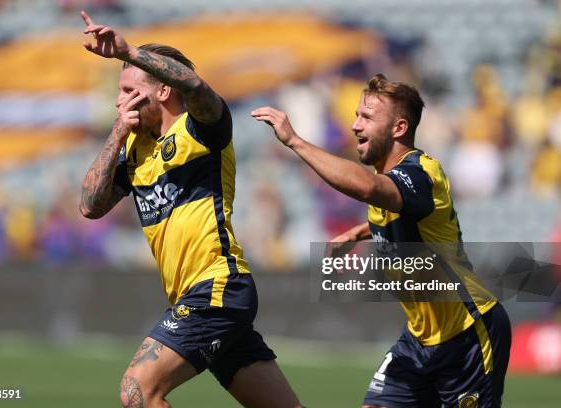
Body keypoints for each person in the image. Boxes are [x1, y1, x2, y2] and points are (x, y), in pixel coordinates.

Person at [78, 11, 303, 408]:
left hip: (217, 288)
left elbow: (196, 85)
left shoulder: (202, 128)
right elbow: (89, 206)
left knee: (138, 390)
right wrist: (117, 133)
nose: (119, 99)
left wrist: (129, 51)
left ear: (163, 91)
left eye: (129, 89)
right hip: (195, 297)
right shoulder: (134, 150)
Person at [252, 74, 511, 408]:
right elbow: (397, 211)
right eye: (357, 115)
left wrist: (296, 142)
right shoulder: (390, 180)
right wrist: (359, 231)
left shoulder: (420, 172)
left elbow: (370, 191)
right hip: (418, 340)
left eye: (367, 118)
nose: (355, 125)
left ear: (398, 128)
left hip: (467, 334)